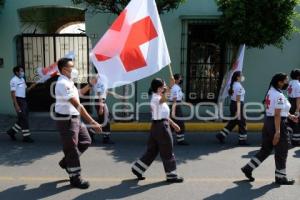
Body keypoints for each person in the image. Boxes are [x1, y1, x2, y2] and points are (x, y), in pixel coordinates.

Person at [54, 58, 102, 189]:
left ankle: (66, 162)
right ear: (64, 69)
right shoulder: (62, 83)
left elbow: (79, 94)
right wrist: (92, 122)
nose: (74, 69)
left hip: (74, 118)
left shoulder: (69, 81)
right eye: (72, 67)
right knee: (72, 149)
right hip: (66, 119)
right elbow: (77, 104)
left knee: (86, 141)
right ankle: (75, 178)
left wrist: (91, 84)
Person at [241, 73, 296, 185]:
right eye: (286, 81)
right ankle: (280, 177)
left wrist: (290, 116)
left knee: (266, 149)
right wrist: (278, 132)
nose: (287, 83)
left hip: (268, 122)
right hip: (277, 123)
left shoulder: (271, 92)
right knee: (282, 150)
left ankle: (248, 168)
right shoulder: (279, 95)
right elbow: (277, 114)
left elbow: (278, 110)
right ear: (279, 82)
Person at [131, 78, 184, 183]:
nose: (165, 88)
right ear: (159, 88)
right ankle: (171, 175)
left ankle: (137, 168)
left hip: (158, 126)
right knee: (167, 150)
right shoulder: (156, 98)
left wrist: (173, 124)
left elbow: (163, 115)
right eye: (163, 86)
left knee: (152, 150)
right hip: (161, 127)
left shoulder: (158, 97)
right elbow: (164, 99)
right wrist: (172, 86)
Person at [216, 71, 248, 145]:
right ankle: (242, 140)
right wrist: (238, 110)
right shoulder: (238, 86)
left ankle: (221, 135)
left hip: (233, 104)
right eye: (241, 75)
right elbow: (238, 99)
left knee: (234, 122)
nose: (242, 77)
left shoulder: (233, 84)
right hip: (238, 104)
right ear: (237, 77)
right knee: (242, 122)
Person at [6, 66, 37, 143]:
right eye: (21, 71)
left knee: (22, 118)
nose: (23, 72)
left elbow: (26, 90)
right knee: (24, 119)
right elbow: (13, 93)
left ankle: (11, 132)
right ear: (17, 72)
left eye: (23, 71)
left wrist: (32, 86)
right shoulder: (13, 80)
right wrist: (16, 105)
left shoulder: (22, 79)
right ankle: (26, 137)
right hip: (18, 100)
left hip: (23, 100)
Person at [89, 73, 114, 144]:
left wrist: (112, 93)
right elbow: (99, 92)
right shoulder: (100, 77)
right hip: (100, 101)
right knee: (106, 121)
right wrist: (101, 107)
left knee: (101, 120)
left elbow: (103, 90)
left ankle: (91, 133)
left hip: (100, 101)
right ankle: (106, 138)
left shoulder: (101, 77)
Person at [169, 74, 189, 145]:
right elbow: (174, 100)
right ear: (176, 80)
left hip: (177, 105)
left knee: (172, 124)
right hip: (176, 107)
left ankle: (166, 138)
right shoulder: (175, 88)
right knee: (180, 123)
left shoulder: (176, 87)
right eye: (180, 78)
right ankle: (180, 140)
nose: (181, 80)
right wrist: (174, 110)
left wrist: (187, 104)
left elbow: (179, 99)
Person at [287, 69, 300, 146]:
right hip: (296, 104)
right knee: (296, 122)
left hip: (290, 102)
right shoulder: (298, 84)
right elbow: (298, 98)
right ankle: (296, 140)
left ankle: (290, 139)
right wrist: (298, 110)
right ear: (298, 76)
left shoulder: (290, 83)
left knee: (291, 121)